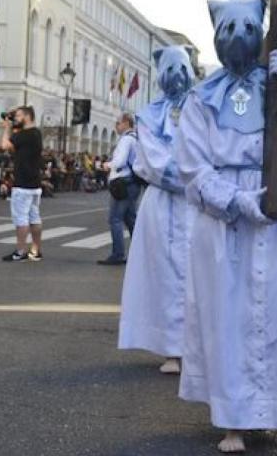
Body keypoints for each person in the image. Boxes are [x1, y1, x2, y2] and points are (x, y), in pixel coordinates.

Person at [174, 0, 277, 453]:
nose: (239, 36)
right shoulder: (200, 98)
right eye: (229, 28)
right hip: (225, 220)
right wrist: (236, 202)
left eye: (248, 27)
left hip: (276, 211)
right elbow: (192, 169)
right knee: (228, 314)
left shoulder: (274, 88)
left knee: (275, 309)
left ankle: (272, 408)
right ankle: (233, 417)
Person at [118, 45, 195, 375]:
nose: (177, 75)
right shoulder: (149, 116)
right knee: (164, 274)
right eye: (171, 68)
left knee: (198, 273)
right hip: (164, 203)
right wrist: (194, 176)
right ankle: (170, 348)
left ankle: (197, 346)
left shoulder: (203, 109)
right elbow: (151, 161)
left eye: (183, 68)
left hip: (197, 204)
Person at [0, 106, 44, 262]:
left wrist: (6, 129)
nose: (15, 118)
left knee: (21, 219)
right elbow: (14, 148)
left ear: (27, 116)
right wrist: (13, 120)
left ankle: (20, 251)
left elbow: (5, 145)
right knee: (34, 218)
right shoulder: (36, 133)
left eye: (18, 115)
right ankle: (36, 250)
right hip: (34, 183)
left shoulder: (24, 134)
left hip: (23, 183)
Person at [98, 113, 140, 266]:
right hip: (133, 182)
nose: (116, 127)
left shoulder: (126, 140)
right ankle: (141, 253)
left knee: (115, 218)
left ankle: (118, 254)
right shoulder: (136, 139)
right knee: (130, 219)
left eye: (117, 123)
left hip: (124, 181)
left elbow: (120, 161)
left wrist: (107, 165)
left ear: (125, 123)